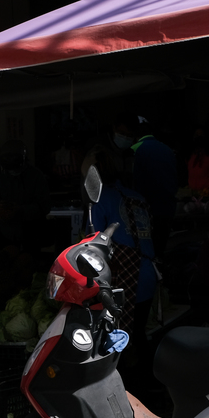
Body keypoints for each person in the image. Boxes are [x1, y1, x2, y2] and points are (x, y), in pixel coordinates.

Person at [83, 146, 156, 344]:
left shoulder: (100, 200)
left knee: (116, 340)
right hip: (149, 274)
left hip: (125, 276)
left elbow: (93, 247)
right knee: (138, 335)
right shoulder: (137, 197)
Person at [0, 139, 50, 252]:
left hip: (31, 233)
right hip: (5, 234)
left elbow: (44, 206)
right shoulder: (0, 175)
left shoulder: (36, 176)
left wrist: (20, 210)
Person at [130, 118, 177, 257]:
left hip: (145, 210)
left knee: (146, 252)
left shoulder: (135, 149)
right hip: (167, 208)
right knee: (160, 249)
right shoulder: (167, 149)